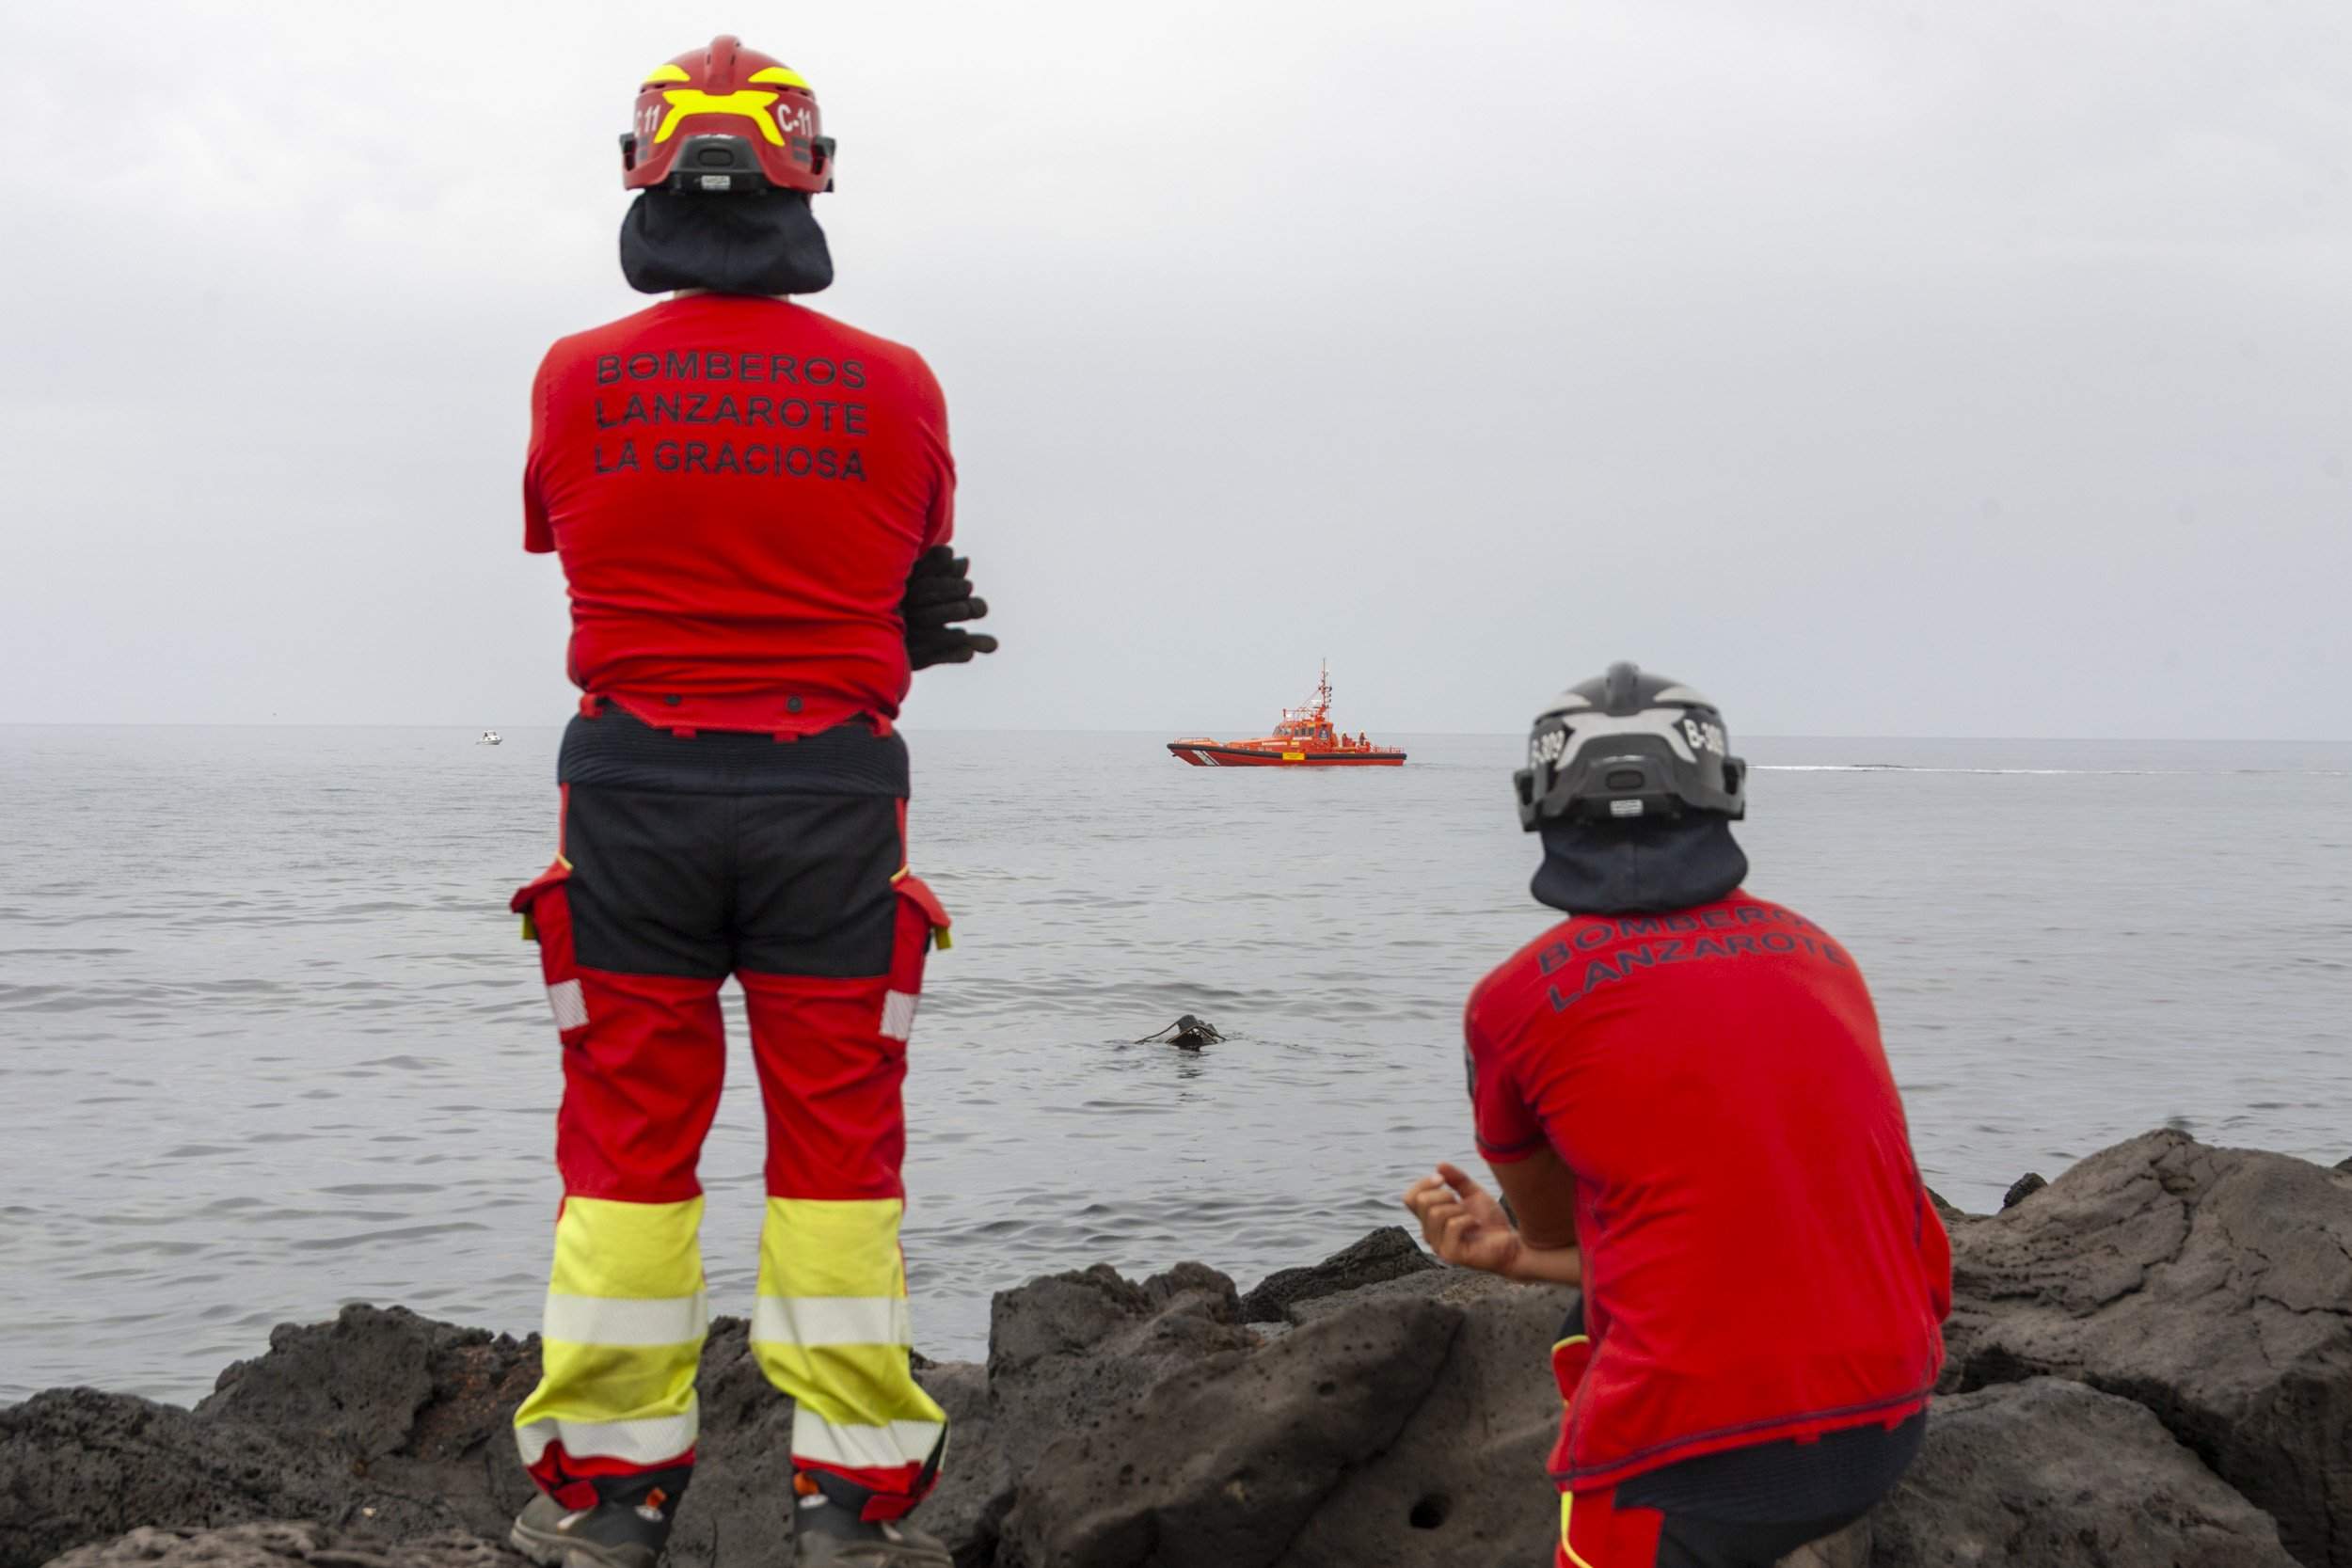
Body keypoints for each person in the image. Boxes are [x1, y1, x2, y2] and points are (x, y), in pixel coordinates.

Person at [503, 37, 994, 1568]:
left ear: (644, 179)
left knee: (628, 1146)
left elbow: (571, 538)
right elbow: (907, 560)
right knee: (840, 1145)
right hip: (832, 799)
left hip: (634, 789)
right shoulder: (899, 384)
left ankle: (613, 1501)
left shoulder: (577, 375)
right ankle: (846, 1504)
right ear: (811, 182)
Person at [1404, 663, 1949, 1568]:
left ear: (1539, 806)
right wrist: (1510, 1254)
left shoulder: (1511, 1003)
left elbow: (1558, 1229)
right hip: (1889, 1421)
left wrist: (1504, 1246)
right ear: (1722, 797)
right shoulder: (1824, 955)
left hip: (1700, 1466)